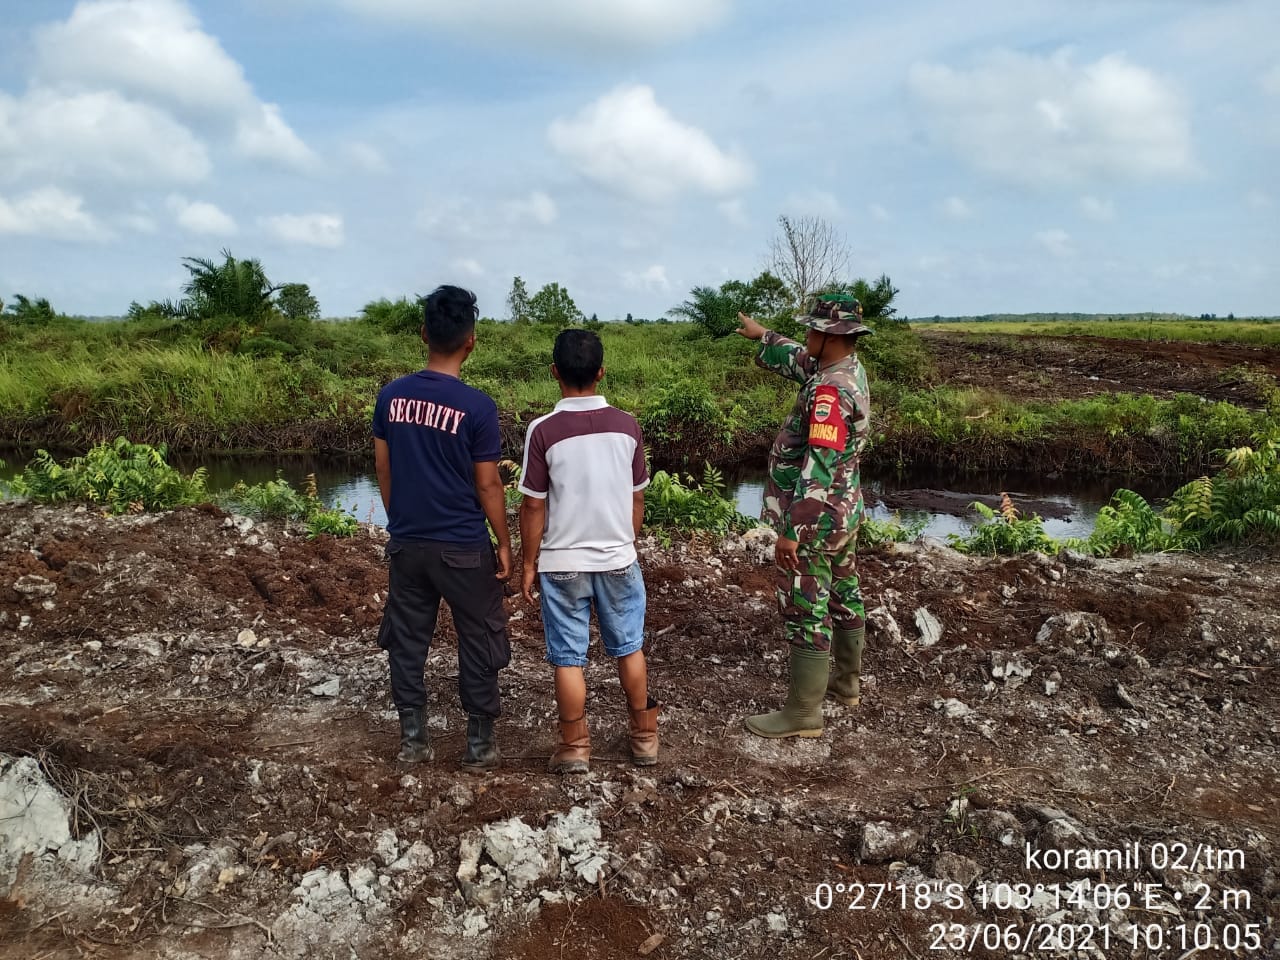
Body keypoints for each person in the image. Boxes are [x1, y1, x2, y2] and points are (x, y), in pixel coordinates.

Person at [372, 285, 512, 771]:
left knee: (407, 640)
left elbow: (384, 470)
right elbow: (488, 485)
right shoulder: (477, 407)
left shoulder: (391, 397)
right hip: (464, 548)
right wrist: (505, 542)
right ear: (471, 340)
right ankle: (480, 745)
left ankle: (414, 740)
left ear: (423, 333)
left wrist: (399, 522)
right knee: (479, 635)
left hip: (408, 544)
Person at [517, 329, 657, 774]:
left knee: (568, 657)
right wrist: (626, 542)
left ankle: (576, 747)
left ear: (554, 372)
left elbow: (533, 505)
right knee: (629, 647)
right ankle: (644, 740)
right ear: (601, 372)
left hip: (561, 563)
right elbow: (637, 498)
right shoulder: (627, 426)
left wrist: (527, 562)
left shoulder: (542, 431)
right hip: (618, 559)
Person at [735, 293, 873, 738]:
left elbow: (819, 465)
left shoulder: (829, 391)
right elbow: (799, 359)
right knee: (844, 590)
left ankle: (803, 713)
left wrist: (793, 529)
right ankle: (846, 686)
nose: (808, 335)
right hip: (844, 513)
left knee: (805, 606)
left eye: (814, 329)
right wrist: (764, 336)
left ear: (830, 336)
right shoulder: (844, 369)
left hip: (817, 518)